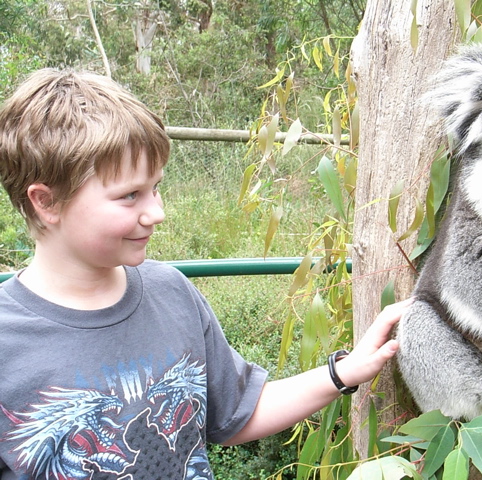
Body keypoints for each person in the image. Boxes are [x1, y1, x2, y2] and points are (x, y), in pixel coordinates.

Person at [0, 69, 412, 480]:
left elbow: (235, 412)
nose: (157, 213)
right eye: (129, 196)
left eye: (155, 187)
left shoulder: (172, 293)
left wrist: (344, 371)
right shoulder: (9, 340)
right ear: (47, 202)